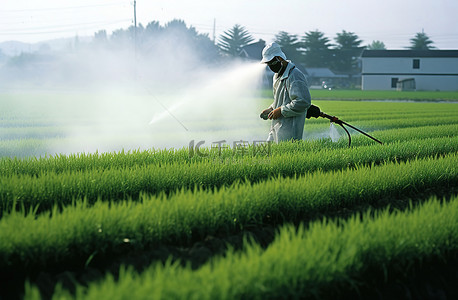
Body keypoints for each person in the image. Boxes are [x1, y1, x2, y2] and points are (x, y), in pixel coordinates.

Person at [260, 42, 311, 143]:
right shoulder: (277, 76)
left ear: (280, 59)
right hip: (276, 126)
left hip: (290, 129)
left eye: (272, 63)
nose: (270, 66)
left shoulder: (294, 75)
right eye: (268, 64)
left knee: (285, 154)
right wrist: (271, 109)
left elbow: (302, 101)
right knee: (268, 151)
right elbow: (280, 99)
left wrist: (281, 111)